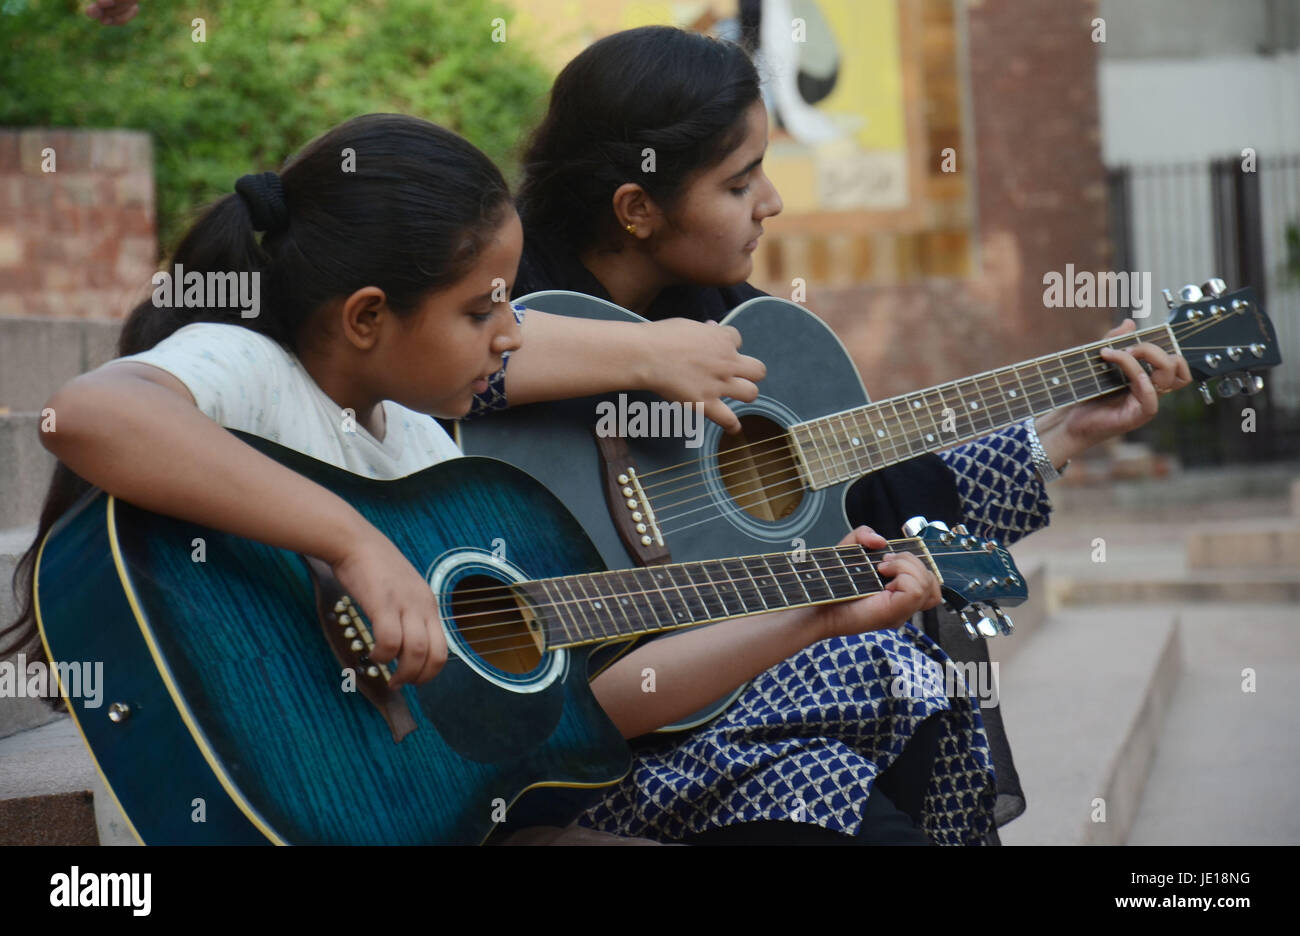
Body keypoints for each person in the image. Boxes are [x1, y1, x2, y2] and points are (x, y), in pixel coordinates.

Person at [1, 113, 942, 842]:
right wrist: (354, 546)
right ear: (368, 316)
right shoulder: (250, 368)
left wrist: (813, 613)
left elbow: (590, 703)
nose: (512, 333)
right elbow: (84, 415)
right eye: (481, 307)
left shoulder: (420, 451)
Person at [470, 26, 1192, 844]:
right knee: (880, 703)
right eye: (740, 184)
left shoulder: (724, 316)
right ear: (636, 208)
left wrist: (1064, 431)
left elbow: (866, 498)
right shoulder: (505, 314)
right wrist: (645, 353)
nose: (771, 202)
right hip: (597, 751)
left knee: (900, 679)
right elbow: (455, 370)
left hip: (756, 704)